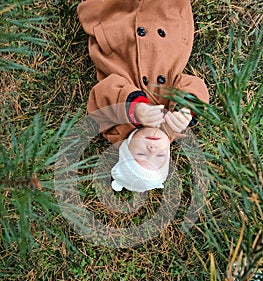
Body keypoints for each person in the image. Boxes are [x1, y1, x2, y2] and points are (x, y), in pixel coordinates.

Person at [77, 0, 209, 192]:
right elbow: (193, 84)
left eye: (140, 154)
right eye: (160, 157)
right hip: (167, 19)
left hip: (120, 27)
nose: (152, 150)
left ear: (126, 148)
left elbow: (103, 94)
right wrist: (186, 109)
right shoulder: (173, 126)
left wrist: (136, 110)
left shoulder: (115, 129)